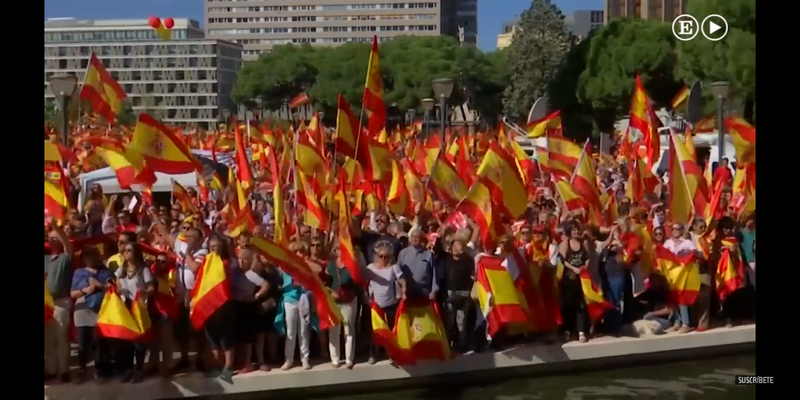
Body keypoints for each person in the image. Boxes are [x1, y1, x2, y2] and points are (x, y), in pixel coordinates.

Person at [70, 245, 114, 383]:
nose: (89, 258)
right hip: (82, 310)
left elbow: (113, 287)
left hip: (100, 310)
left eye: (92, 254)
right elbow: (73, 293)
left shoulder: (105, 272)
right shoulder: (79, 272)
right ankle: (82, 370)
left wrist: (99, 285)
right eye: (86, 255)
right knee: (83, 342)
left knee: (99, 341)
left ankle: (100, 370)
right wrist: (85, 290)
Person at [115, 242, 156, 383]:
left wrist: (145, 291)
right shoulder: (121, 270)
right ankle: (128, 370)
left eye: (130, 250)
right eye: (125, 251)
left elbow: (151, 288)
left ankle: (139, 369)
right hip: (125, 306)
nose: (127, 253)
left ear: (136, 253)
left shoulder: (143, 270)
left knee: (139, 341)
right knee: (126, 341)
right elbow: (118, 286)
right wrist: (115, 290)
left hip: (139, 306)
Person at [45, 222, 74, 383]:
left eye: (54, 238)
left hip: (62, 301)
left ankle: (64, 370)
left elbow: (67, 244)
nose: (51, 240)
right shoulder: (46, 259)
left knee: (61, 336)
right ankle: (51, 369)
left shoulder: (66, 257)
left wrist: (56, 227)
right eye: (49, 238)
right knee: (48, 339)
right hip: (47, 305)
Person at [277, 242, 314, 371]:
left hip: (303, 299)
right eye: (295, 251)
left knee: (303, 331)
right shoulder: (285, 266)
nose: (298, 254)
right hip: (289, 299)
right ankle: (289, 359)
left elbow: (311, 281)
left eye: (300, 251)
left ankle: (305, 358)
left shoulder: (306, 266)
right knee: (290, 332)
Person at [234, 247, 270, 374]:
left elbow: (265, 285)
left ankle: (260, 361)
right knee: (244, 337)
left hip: (250, 306)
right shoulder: (234, 274)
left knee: (256, 335)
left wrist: (257, 295)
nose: (241, 262)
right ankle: (247, 362)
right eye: (239, 258)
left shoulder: (250, 274)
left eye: (244, 259)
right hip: (238, 306)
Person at [365, 242, 400, 364]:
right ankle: (373, 354)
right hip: (376, 305)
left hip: (391, 303)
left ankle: (391, 354)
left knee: (391, 330)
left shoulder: (394, 267)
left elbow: (402, 280)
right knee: (376, 331)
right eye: (381, 256)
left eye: (386, 256)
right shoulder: (370, 268)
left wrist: (404, 292)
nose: (383, 259)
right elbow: (364, 283)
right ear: (377, 256)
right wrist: (367, 297)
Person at [327, 246, 360, 369]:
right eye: (339, 248)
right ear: (335, 251)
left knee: (349, 329)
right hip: (334, 301)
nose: (342, 250)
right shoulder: (330, 265)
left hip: (349, 300)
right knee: (334, 330)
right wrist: (330, 292)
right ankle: (335, 359)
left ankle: (349, 359)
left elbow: (357, 281)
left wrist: (353, 264)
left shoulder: (352, 265)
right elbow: (325, 283)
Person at [558, 223, 589, 343]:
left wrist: (585, 266)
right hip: (568, 278)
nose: (576, 232)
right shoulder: (565, 244)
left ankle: (581, 331)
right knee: (568, 304)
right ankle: (570, 331)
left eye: (577, 230)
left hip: (581, 278)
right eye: (574, 230)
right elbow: (562, 260)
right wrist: (573, 268)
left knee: (581, 304)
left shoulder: (583, 243)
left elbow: (587, 257)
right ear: (570, 232)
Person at [662, 222, 695, 333]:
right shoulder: (667, 243)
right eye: (673, 229)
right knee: (674, 299)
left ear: (682, 230)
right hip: (671, 275)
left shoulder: (687, 243)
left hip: (683, 275)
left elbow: (694, 253)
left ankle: (686, 324)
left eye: (678, 229)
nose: (675, 231)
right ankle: (677, 322)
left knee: (682, 299)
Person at [394, 228, 438, 300]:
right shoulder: (403, 253)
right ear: (410, 239)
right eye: (413, 237)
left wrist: (433, 291)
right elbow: (397, 272)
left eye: (417, 237)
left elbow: (434, 274)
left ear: (421, 239)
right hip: (406, 292)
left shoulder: (429, 254)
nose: (415, 239)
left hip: (424, 292)